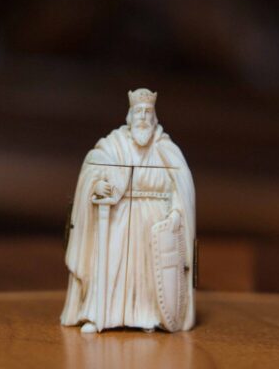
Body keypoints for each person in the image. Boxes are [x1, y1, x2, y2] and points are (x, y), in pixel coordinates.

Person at [61, 88, 196, 333]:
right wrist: (96, 185)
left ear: (154, 118)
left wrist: (177, 213)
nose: (143, 117)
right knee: (110, 265)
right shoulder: (114, 144)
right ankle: (99, 315)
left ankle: (150, 316)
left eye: (147, 112)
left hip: (154, 220)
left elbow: (181, 186)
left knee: (148, 273)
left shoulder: (165, 148)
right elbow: (91, 169)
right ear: (130, 116)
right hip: (118, 218)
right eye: (138, 112)